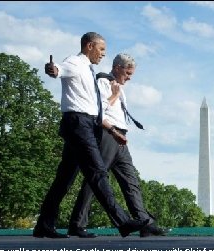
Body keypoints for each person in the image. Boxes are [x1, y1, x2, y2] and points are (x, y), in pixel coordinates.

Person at [33, 32, 150, 238]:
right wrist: (52, 69)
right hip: (78, 123)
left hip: (85, 123)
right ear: (89, 46)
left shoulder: (88, 69)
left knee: (64, 178)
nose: (103, 54)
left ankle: (44, 223)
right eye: (101, 49)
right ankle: (123, 222)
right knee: (97, 172)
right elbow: (59, 69)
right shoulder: (76, 63)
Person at [67, 53, 168, 238]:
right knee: (96, 180)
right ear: (117, 68)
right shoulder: (103, 82)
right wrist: (114, 96)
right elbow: (97, 110)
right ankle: (77, 223)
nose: (129, 77)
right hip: (107, 134)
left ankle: (144, 222)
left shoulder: (118, 85)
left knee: (131, 181)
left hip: (120, 137)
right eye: (128, 73)